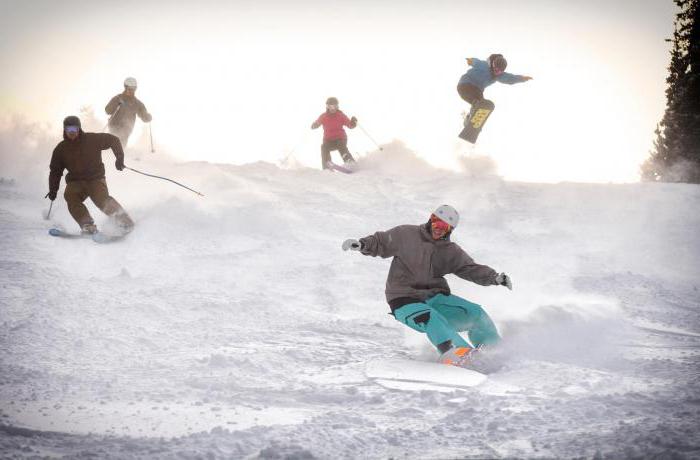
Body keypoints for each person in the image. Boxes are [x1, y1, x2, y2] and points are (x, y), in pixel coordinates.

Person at [342, 205, 513, 367]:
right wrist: (362, 245)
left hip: (435, 297)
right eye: (437, 223)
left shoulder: (450, 250)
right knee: (431, 318)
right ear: (431, 219)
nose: (439, 228)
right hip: (404, 299)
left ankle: (495, 352)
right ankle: (459, 355)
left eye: (445, 227)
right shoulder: (406, 234)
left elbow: (469, 268)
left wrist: (495, 278)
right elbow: (382, 242)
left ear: (450, 230)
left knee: (475, 313)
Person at [46, 115, 134, 235]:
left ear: (79, 129)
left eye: (74, 129)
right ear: (64, 130)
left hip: (95, 179)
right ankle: (87, 225)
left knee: (101, 199)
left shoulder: (92, 139)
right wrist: (53, 190)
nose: (72, 133)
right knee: (70, 195)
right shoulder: (61, 149)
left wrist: (119, 157)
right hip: (76, 181)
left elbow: (113, 140)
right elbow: (55, 171)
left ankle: (125, 222)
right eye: (69, 130)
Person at [457, 53, 532, 112]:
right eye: (496, 69)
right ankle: (476, 108)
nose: (497, 72)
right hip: (465, 85)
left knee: (480, 103)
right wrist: (471, 60)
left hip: (477, 90)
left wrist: (522, 78)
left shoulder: (499, 76)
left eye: (499, 71)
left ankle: (470, 117)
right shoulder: (484, 65)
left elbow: (510, 78)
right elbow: (476, 61)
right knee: (478, 100)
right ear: (493, 65)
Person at [311, 97, 357, 170]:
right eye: (330, 106)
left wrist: (353, 123)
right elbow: (317, 123)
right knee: (324, 147)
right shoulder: (323, 116)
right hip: (328, 140)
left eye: (334, 106)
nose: (332, 108)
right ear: (327, 107)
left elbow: (350, 125)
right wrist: (314, 125)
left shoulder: (341, 115)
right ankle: (327, 166)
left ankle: (349, 162)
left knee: (341, 145)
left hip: (340, 138)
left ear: (337, 106)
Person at [105, 77, 152, 148]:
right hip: (114, 127)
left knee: (121, 147)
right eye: (129, 88)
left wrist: (147, 117)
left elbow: (143, 115)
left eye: (133, 89)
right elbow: (107, 110)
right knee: (113, 144)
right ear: (125, 87)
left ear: (135, 89)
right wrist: (116, 104)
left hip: (126, 130)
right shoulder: (118, 98)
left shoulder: (137, 103)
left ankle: (120, 156)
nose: (131, 91)